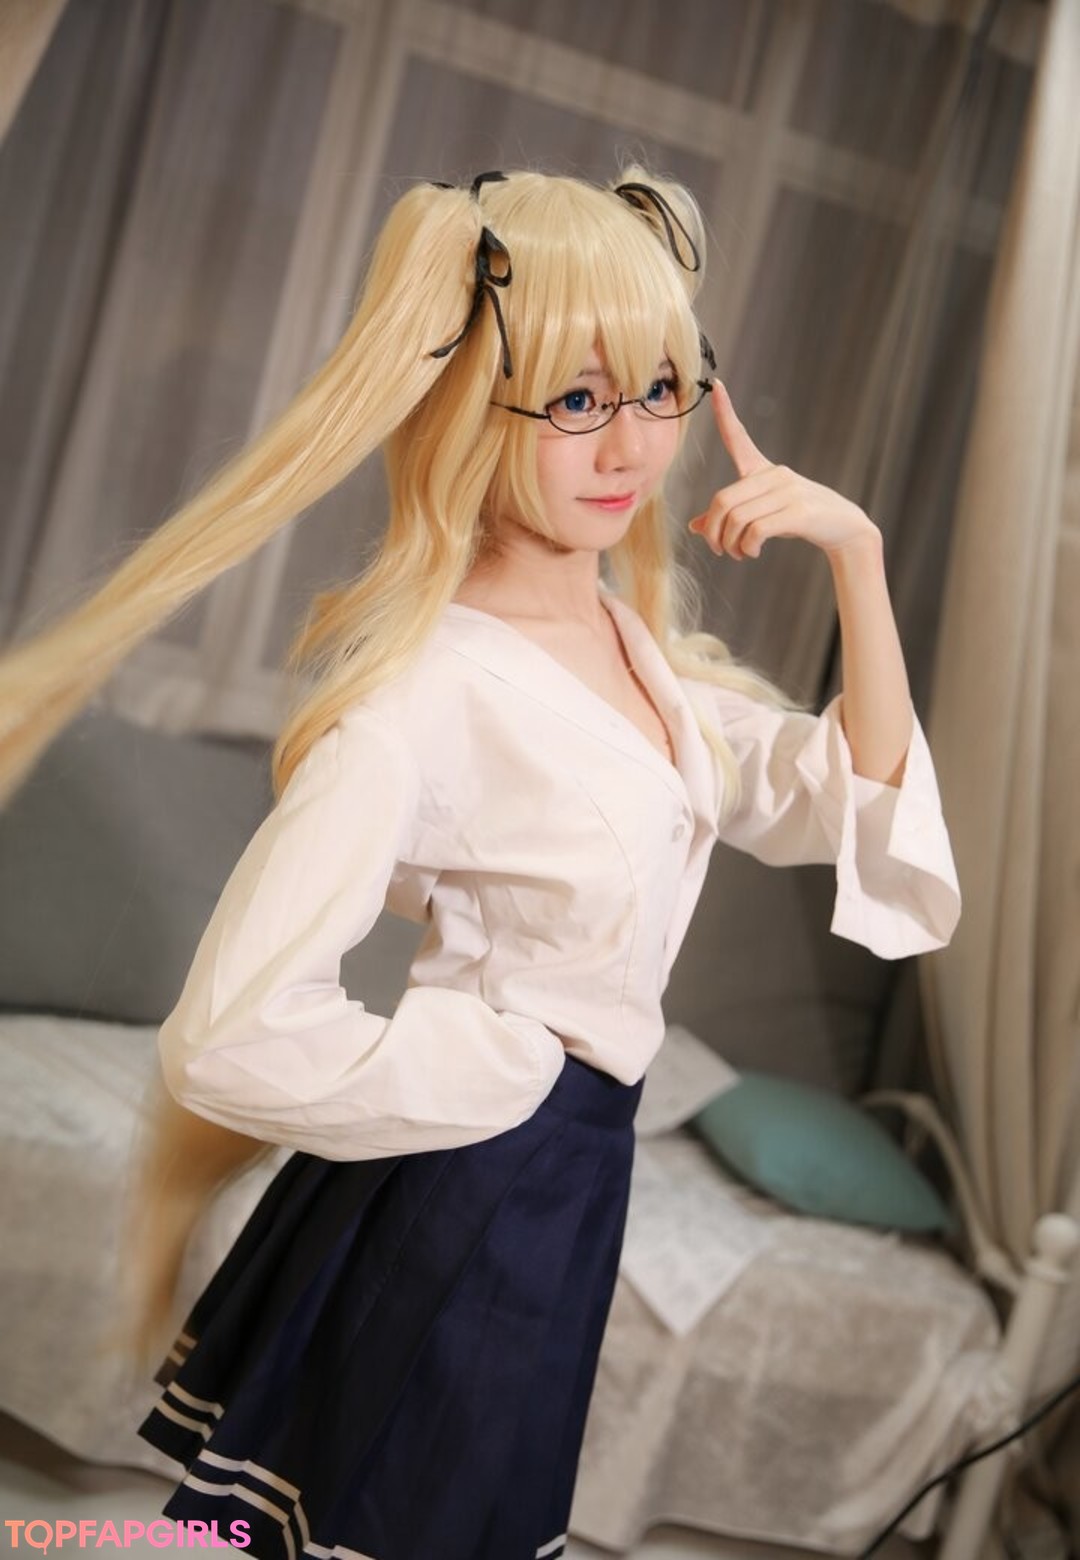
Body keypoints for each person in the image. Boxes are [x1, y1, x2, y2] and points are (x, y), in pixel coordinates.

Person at [0, 165, 960, 1560]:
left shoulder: (643, 656)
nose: (629, 445)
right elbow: (228, 1036)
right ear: (470, 406)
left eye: (660, 387)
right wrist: (487, 1063)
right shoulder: (426, 692)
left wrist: (857, 561)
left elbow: (845, 803)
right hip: (469, 1183)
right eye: (575, 401)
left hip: (567, 1184)